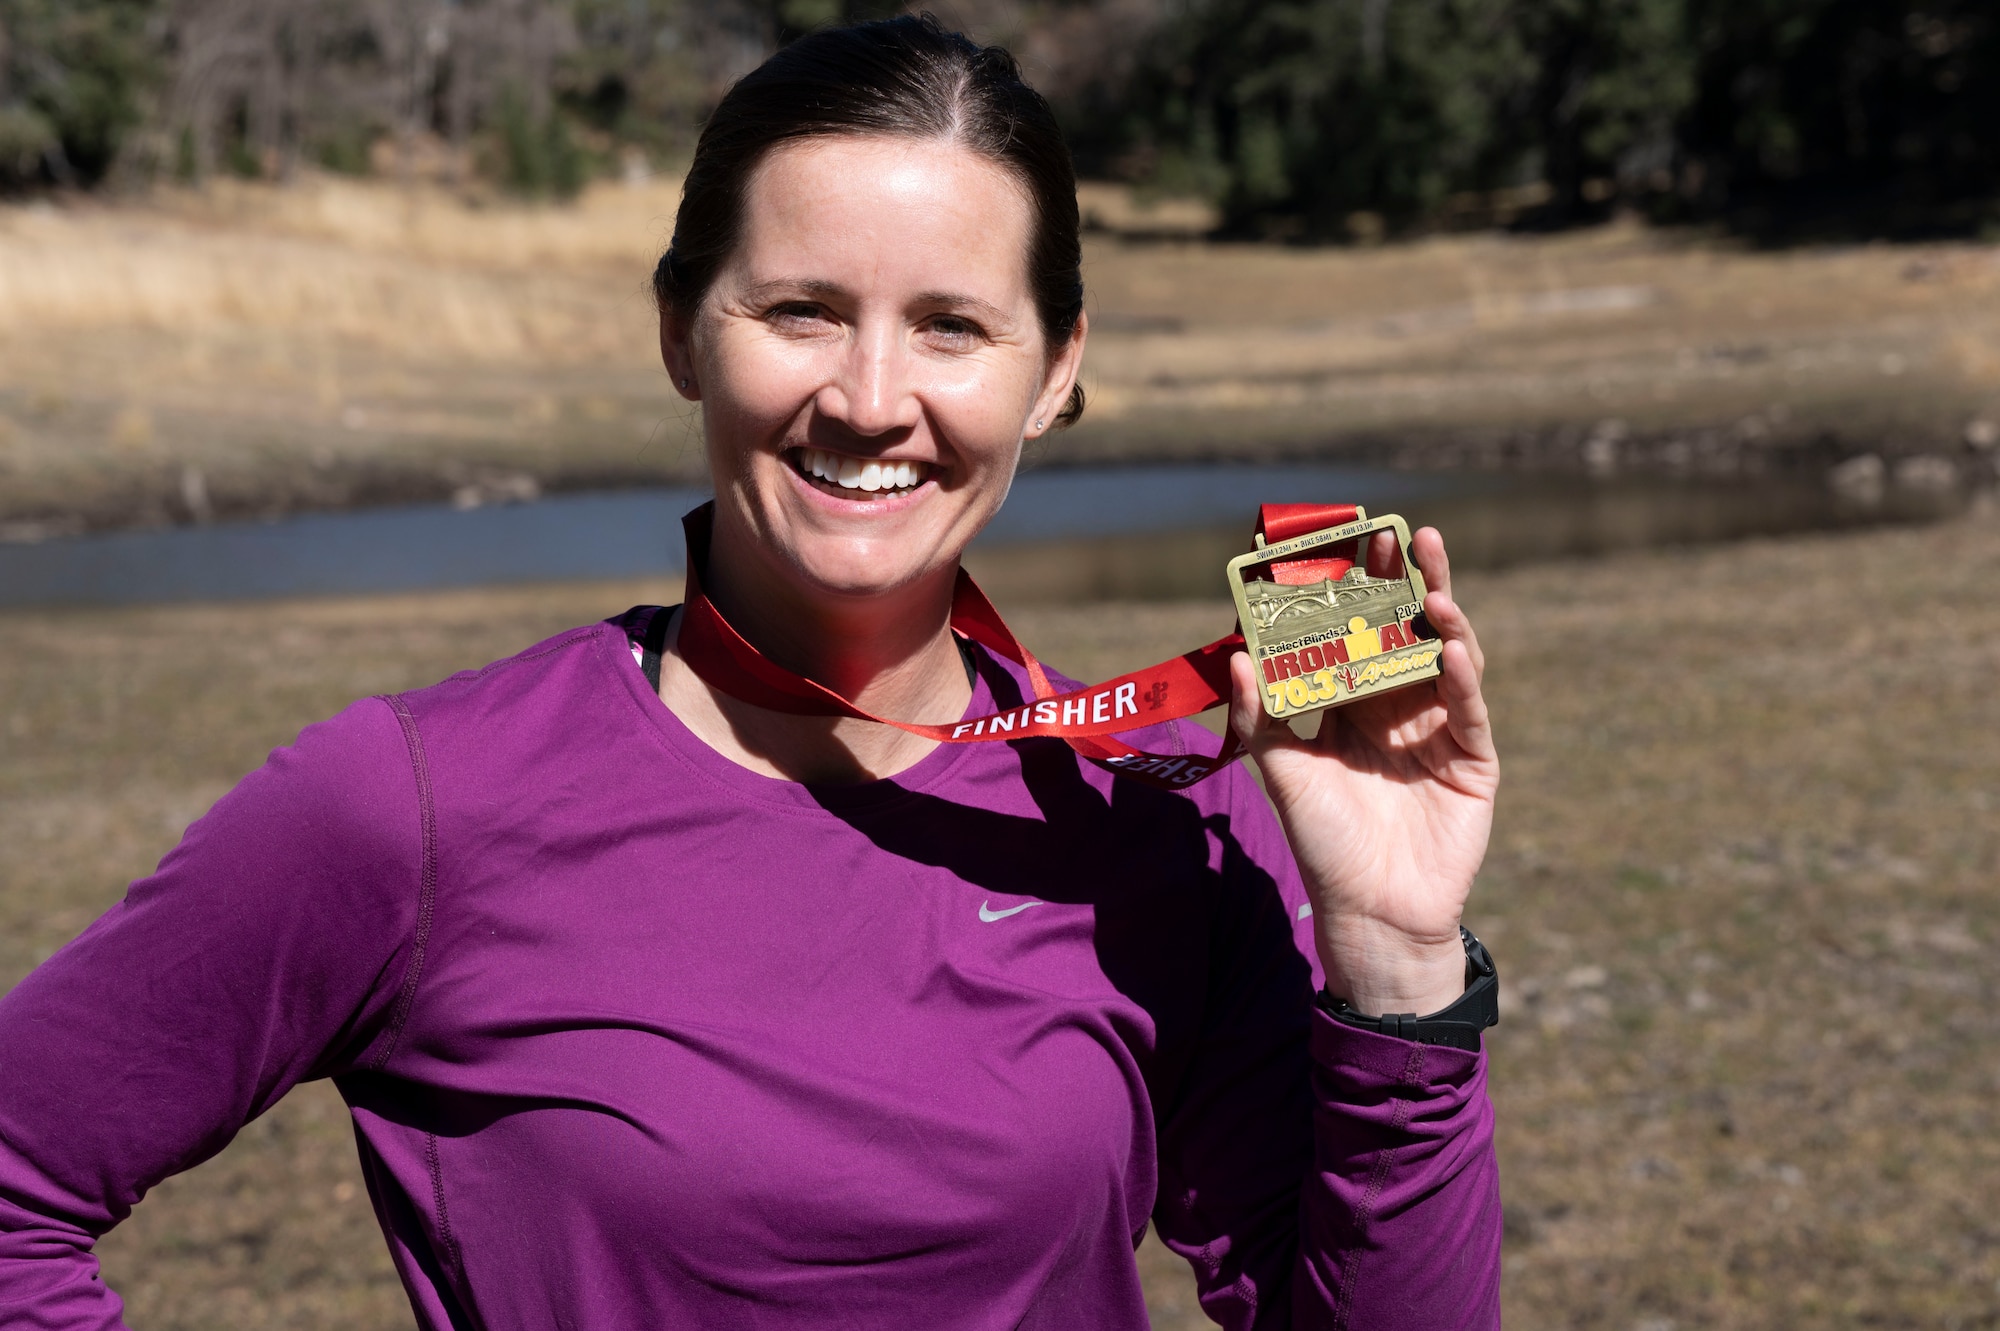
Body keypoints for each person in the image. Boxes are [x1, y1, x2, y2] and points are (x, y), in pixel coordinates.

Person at [0, 16, 1502, 1329]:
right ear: (681, 333)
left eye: (951, 328)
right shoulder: (410, 808)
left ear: (1053, 372)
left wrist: (1396, 963)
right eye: (800, 311)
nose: (868, 399)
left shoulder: (1157, 822)